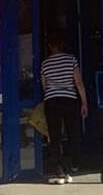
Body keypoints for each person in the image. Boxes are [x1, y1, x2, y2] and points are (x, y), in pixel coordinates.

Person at [40, 34, 88, 185]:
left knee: (55, 136)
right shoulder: (71, 59)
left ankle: (59, 168)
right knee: (73, 132)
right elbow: (78, 82)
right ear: (62, 45)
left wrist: (52, 93)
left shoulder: (45, 64)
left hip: (52, 101)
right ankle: (75, 164)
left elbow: (44, 85)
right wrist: (84, 102)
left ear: (50, 46)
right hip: (69, 100)